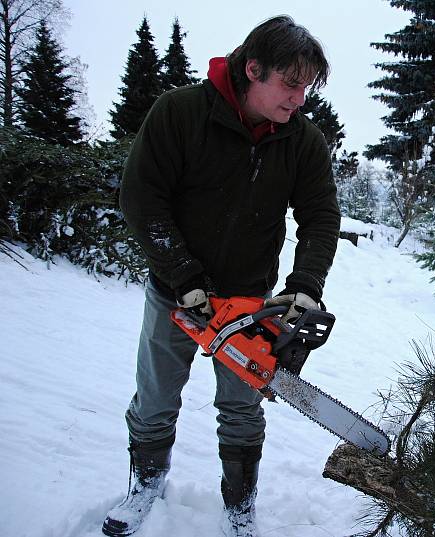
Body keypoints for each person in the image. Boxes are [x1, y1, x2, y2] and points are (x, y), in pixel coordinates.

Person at [102, 16, 340, 537]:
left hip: (250, 301)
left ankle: (239, 504)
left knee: (242, 406)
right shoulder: (181, 113)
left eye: (307, 88)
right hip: (176, 295)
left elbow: (320, 216)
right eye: (290, 83)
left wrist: (304, 285)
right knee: (156, 398)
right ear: (253, 68)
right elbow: (142, 199)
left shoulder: (301, 140)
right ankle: (145, 483)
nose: (299, 99)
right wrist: (184, 277)